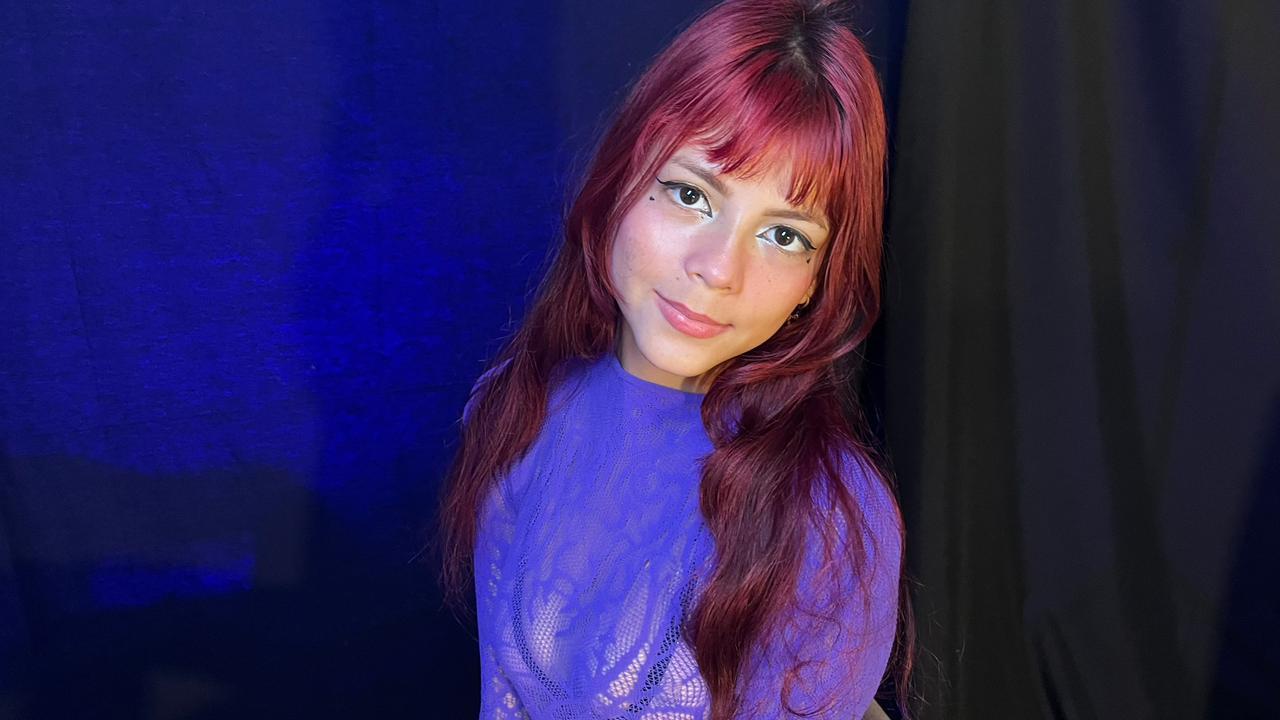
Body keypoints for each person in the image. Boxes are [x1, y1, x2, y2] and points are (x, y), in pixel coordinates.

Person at [436, 0, 915, 717]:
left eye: (784, 236)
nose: (719, 269)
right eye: (691, 194)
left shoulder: (835, 518)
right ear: (621, 182)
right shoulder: (516, 407)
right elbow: (503, 698)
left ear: (815, 283)